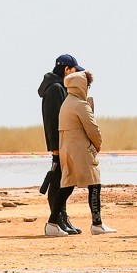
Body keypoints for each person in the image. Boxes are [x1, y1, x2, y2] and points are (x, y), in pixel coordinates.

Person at [57, 70, 114, 235]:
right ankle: (97, 224)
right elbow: (93, 129)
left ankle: (52, 222)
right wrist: (97, 145)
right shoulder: (80, 104)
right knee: (95, 184)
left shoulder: (67, 103)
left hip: (67, 150)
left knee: (66, 186)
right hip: (82, 150)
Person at [39, 54, 83, 236]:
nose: (75, 74)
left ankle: (62, 218)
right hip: (60, 143)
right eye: (74, 70)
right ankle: (57, 219)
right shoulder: (55, 88)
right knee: (58, 181)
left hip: (64, 142)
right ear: (66, 69)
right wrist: (55, 147)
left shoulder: (59, 87)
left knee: (63, 180)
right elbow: (52, 120)